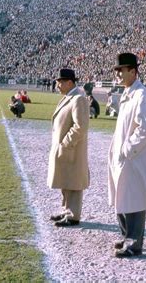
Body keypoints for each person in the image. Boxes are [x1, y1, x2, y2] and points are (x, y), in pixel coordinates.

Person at [108, 53, 146, 258]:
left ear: (133, 71)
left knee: (134, 199)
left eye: (121, 70)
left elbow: (144, 130)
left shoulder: (141, 95)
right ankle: (127, 235)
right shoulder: (128, 93)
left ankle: (135, 243)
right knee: (122, 196)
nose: (118, 73)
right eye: (117, 70)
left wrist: (127, 149)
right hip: (123, 156)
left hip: (134, 156)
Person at [47, 69, 90, 226]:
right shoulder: (68, 97)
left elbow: (81, 126)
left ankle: (73, 215)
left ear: (70, 82)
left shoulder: (78, 99)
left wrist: (66, 143)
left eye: (60, 81)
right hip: (65, 148)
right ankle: (66, 210)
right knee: (65, 179)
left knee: (73, 182)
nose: (57, 85)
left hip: (71, 149)